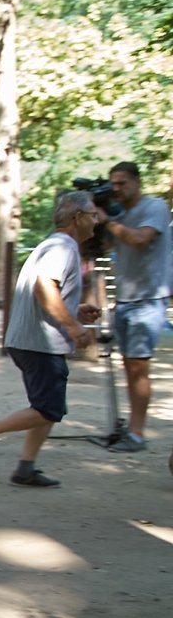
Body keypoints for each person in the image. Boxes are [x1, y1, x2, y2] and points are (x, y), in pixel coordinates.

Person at [0, 191, 103, 487]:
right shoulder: (63, 247)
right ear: (77, 218)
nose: (97, 220)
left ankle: (26, 467)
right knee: (48, 409)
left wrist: (74, 309)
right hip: (40, 342)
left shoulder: (53, 245)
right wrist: (74, 327)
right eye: (92, 215)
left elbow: (48, 293)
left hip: (32, 339)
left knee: (45, 407)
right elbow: (43, 288)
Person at [102, 162, 171, 453]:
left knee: (139, 367)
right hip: (125, 300)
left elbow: (140, 239)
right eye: (112, 184)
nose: (116, 189)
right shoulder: (121, 214)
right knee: (129, 367)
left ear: (136, 182)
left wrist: (108, 221)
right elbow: (105, 247)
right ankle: (131, 429)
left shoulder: (155, 207)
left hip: (148, 298)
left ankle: (137, 434)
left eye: (121, 183)